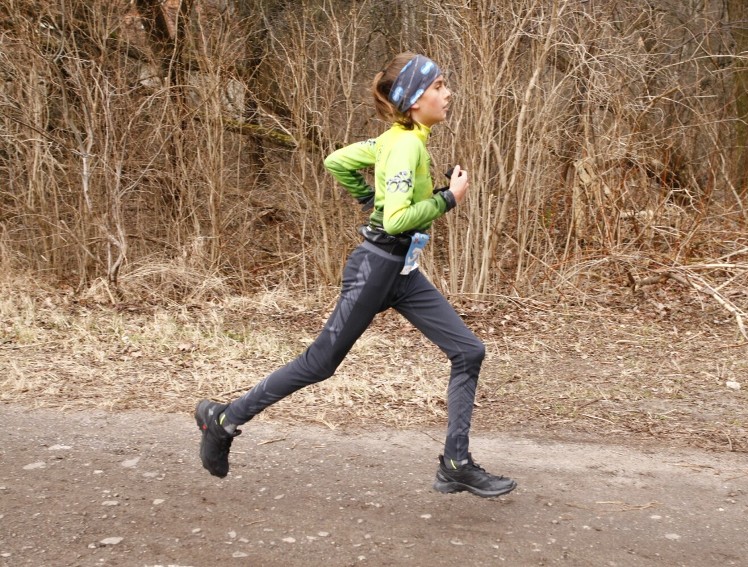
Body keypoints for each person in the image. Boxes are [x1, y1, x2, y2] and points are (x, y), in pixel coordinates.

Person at [195, 52, 516, 498]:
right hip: (377, 266)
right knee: (319, 363)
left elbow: (337, 160)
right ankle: (223, 420)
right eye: (439, 85)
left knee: (468, 351)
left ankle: (456, 463)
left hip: (401, 271)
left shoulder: (397, 139)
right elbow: (401, 218)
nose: (448, 93)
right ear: (415, 98)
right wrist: (449, 197)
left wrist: (369, 200)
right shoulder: (404, 145)